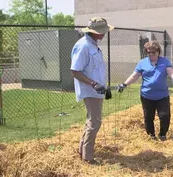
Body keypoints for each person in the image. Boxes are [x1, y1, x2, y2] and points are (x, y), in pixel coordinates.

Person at [70, 17, 114, 164]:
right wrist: (94, 84)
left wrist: (103, 86)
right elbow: (75, 71)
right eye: (101, 31)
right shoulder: (83, 46)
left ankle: (82, 151)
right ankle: (88, 158)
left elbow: (95, 69)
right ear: (93, 32)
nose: (104, 34)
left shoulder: (93, 45)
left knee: (91, 121)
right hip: (90, 91)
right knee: (95, 123)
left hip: (97, 90)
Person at [117, 41, 173, 141]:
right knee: (148, 117)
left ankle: (163, 134)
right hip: (147, 96)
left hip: (162, 95)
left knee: (165, 116)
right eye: (148, 53)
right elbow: (134, 76)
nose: (151, 55)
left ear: (158, 52)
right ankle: (151, 135)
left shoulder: (165, 61)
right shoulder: (142, 63)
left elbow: (170, 71)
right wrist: (124, 84)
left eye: (153, 53)